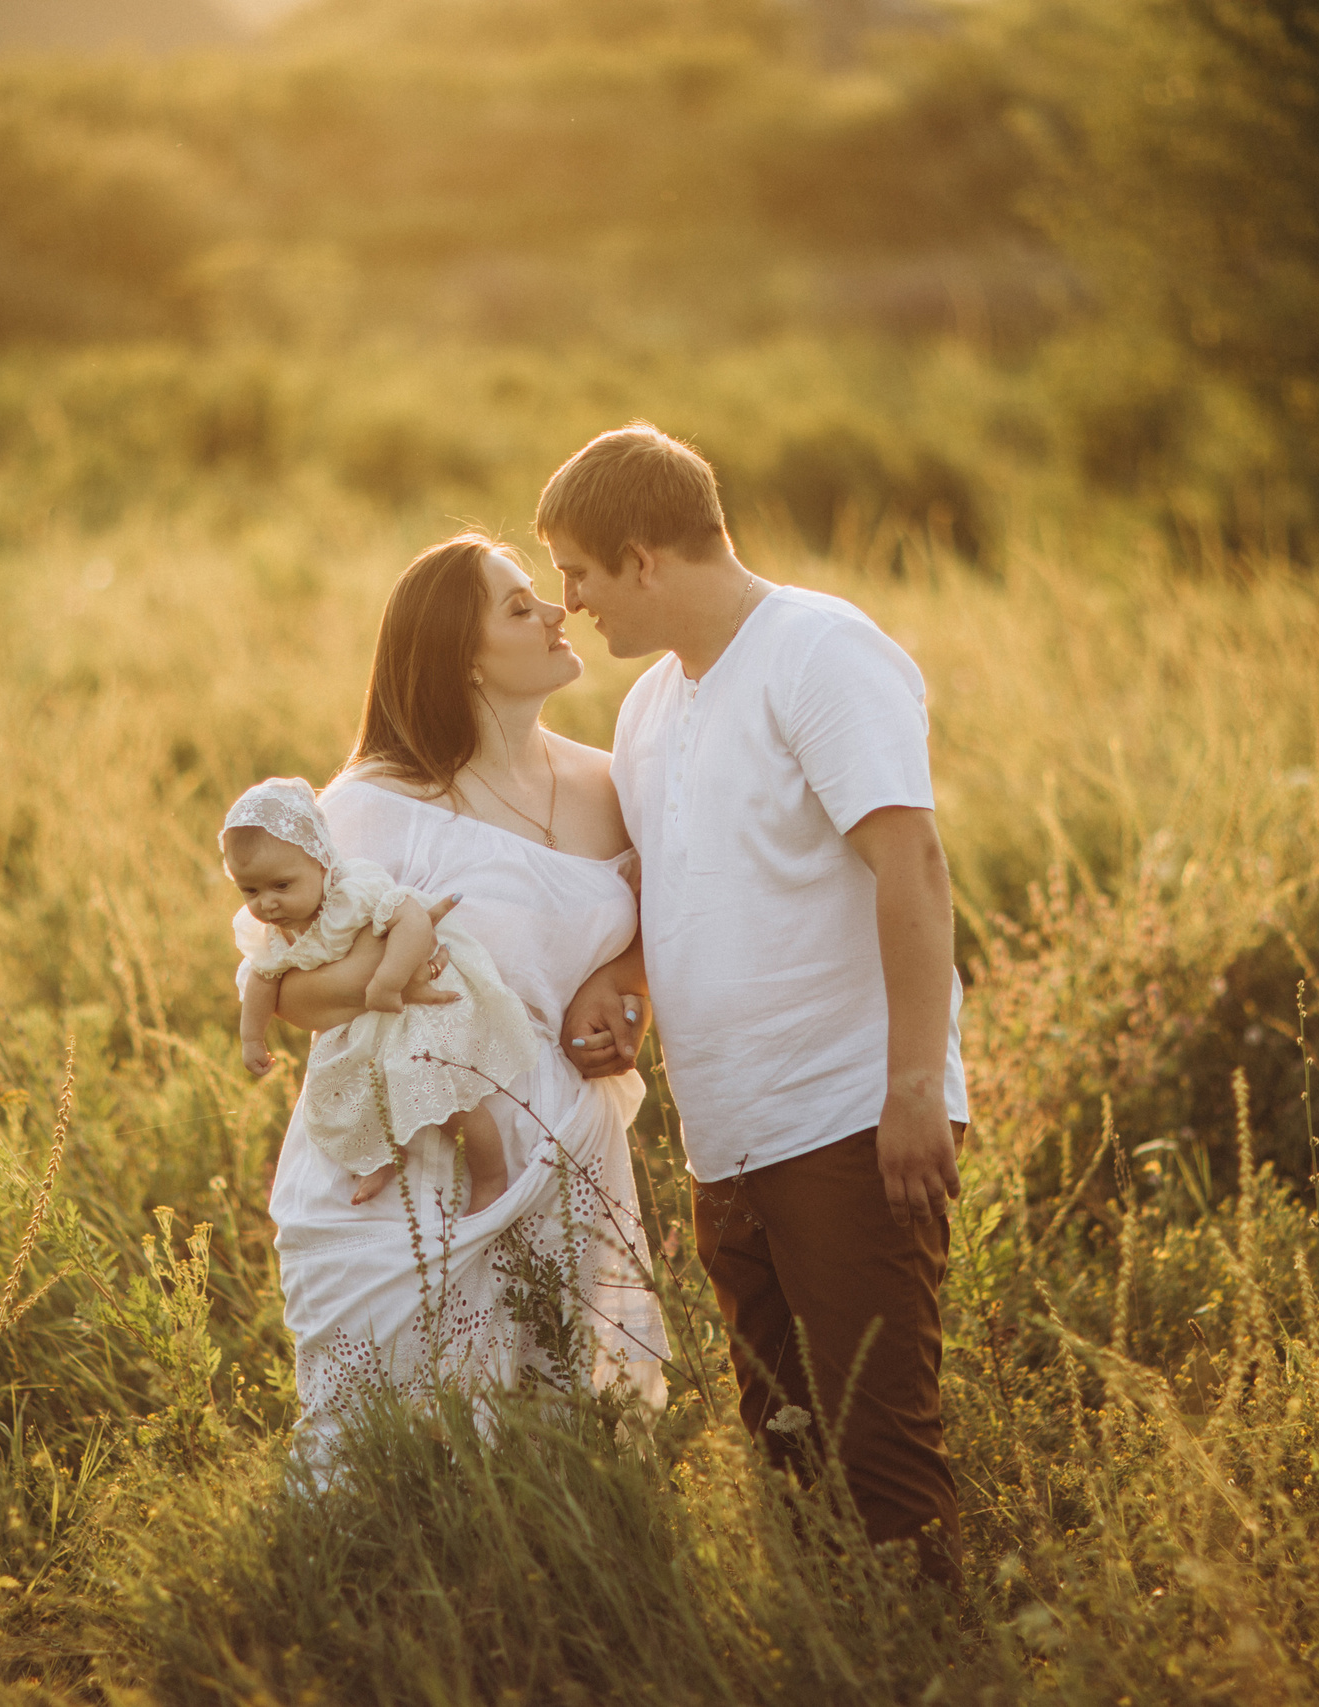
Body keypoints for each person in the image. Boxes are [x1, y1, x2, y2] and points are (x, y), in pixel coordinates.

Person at [542, 424, 970, 1586]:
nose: (568, 602)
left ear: (642, 560)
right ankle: (826, 1644)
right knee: (783, 1447)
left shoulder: (820, 652)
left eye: (577, 573)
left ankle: (929, 1650)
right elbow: (682, 887)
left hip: (848, 1118)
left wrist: (911, 1089)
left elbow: (913, 866)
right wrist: (620, 980)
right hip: (727, 1140)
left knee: (881, 1453)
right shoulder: (648, 707)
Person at [259, 533, 666, 1460]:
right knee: (387, 1450)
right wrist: (398, 982)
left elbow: (654, 919)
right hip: (409, 1153)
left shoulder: (610, 784)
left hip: (564, 1146)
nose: (558, 610)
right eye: (520, 607)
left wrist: (623, 989)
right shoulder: (374, 803)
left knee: (563, 1447)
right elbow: (287, 988)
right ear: (464, 659)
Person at [224, 775, 530, 1212]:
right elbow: (262, 979)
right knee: (343, 1100)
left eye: (282, 886)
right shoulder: (275, 932)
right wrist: (252, 1037)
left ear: (322, 864)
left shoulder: (352, 893)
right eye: (250, 891)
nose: (267, 904)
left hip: (406, 1011)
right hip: (355, 1027)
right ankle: (382, 1157)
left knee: (444, 1097)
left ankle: (491, 1175)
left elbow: (413, 919)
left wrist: (387, 980)